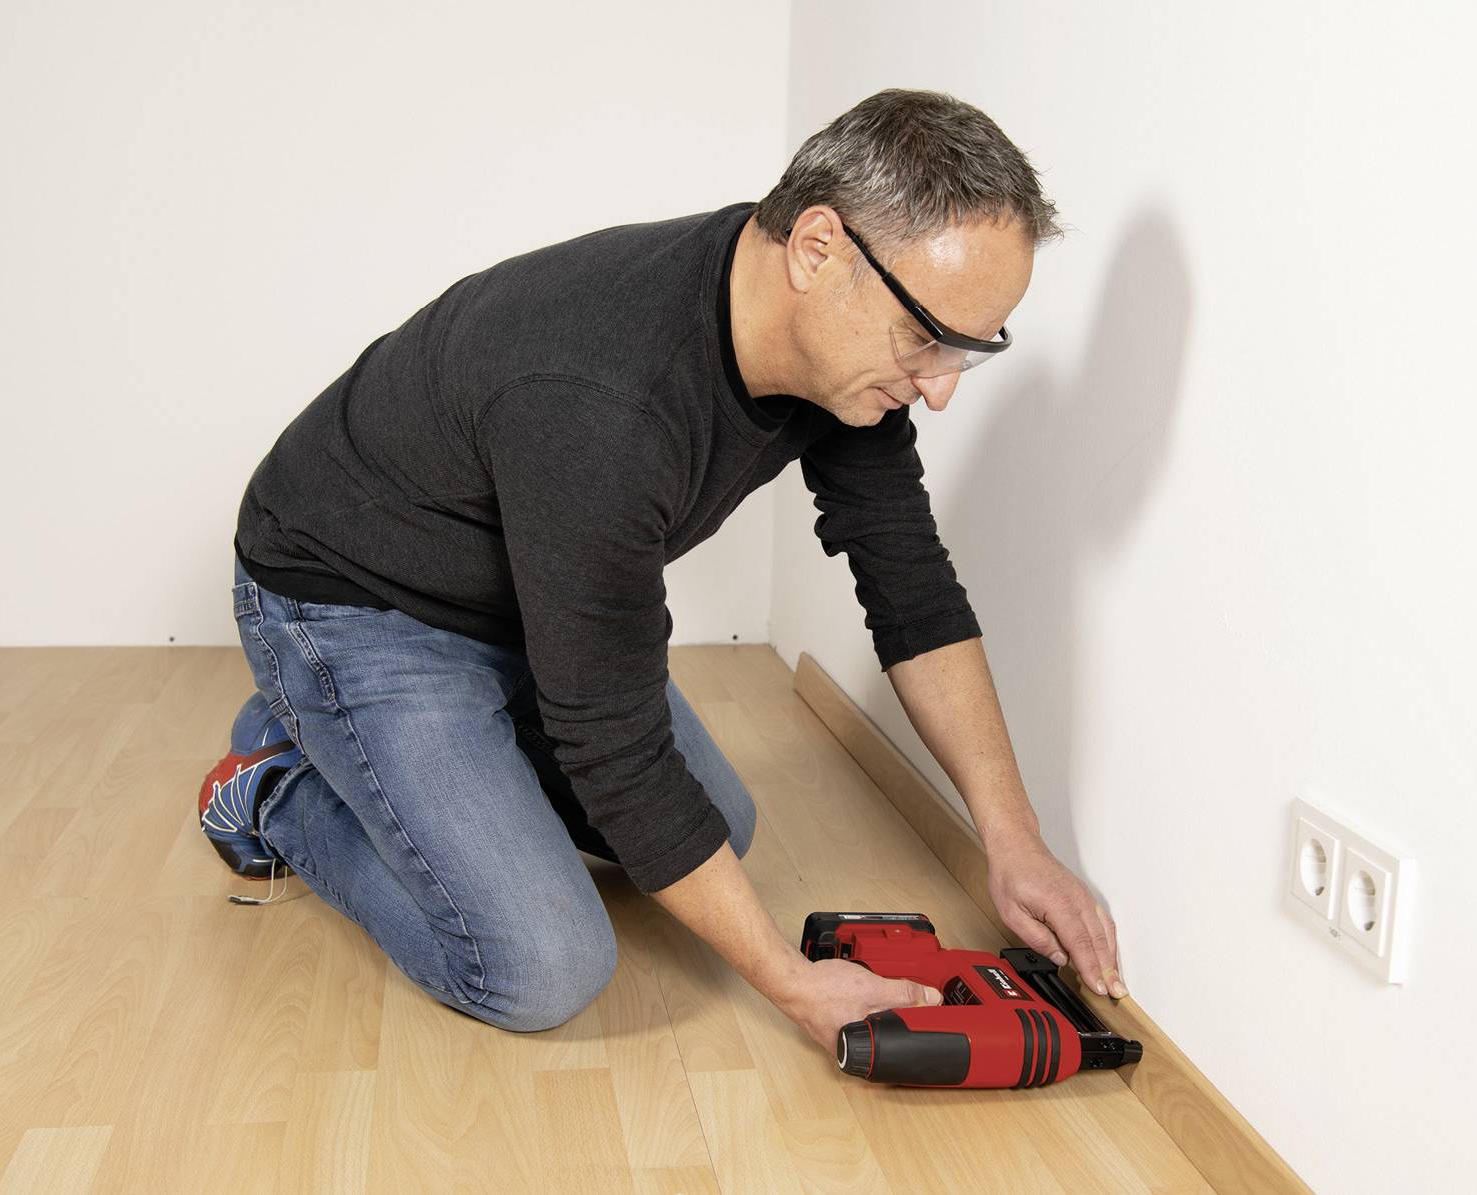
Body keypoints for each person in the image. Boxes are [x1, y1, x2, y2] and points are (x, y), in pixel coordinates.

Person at [199, 88, 1127, 1057]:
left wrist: (1012, 841)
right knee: (539, 965)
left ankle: (404, 758)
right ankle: (277, 780)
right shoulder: (602, 398)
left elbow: (911, 589)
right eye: (928, 339)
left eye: (968, 353)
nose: (937, 388)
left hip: (520, 598)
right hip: (353, 602)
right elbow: (610, 738)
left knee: (720, 824)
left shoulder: (833, 352)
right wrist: (789, 981)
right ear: (817, 248)